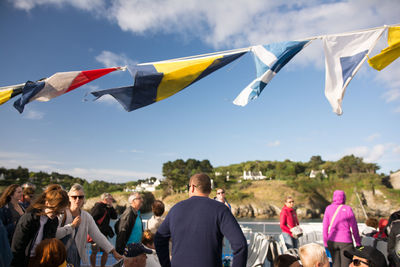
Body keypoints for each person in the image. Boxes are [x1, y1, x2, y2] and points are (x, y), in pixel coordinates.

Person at [154, 173, 248, 267]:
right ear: (210, 190)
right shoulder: (220, 209)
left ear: (192, 187)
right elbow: (240, 245)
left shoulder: (175, 209)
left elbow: (159, 239)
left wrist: (166, 264)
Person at [56, 184, 122, 267]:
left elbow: (97, 235)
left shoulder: (86, 217)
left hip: (76, 257)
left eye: (81, 197)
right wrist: (72, 226)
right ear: (69, 198)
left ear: (84, 199)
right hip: (59, 257)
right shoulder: (61, 214)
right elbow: (54, 234)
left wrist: (113, 251)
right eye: (74, 197)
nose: (77, 200)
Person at [10, 184, 69, 267]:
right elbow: (17, 248)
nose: (57, 215)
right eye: (55, 211)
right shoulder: (29, 218)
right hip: (25, 261)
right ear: (47, 203)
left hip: (41, 261)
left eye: (60, 213)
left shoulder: (53, 221)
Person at [322, 190, 361, 267]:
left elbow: (325, 227)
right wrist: (358, 242)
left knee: (335, 264)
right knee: (346, 265)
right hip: (346, 242)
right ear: (344, 197)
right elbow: (354, 227)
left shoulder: (328, 208)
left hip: (332, 241)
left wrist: (326, 242)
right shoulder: (348, 209)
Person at [90, 192, 118, 267]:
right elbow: (91, 218)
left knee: (106, 251)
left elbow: (115, 217)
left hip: (104, 233)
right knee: (94, 252)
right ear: (105, 199)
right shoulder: (98, 206)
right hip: (96, 233)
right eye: (110, 198)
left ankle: (102, 266)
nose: (112, 200)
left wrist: (111, 206)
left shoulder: (107, 207)